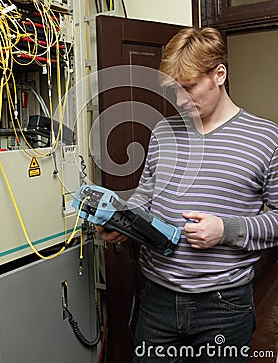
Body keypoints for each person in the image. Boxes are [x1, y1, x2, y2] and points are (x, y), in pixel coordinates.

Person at [96, 27, 278, 362]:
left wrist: (226, 230)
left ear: (219, 75)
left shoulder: (266, 138)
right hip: (157, 300)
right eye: (174, 89)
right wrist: (123, 222)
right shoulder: (164, 131)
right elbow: (145, 198)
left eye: (189, 87)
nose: (180, 99)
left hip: (224, 306)